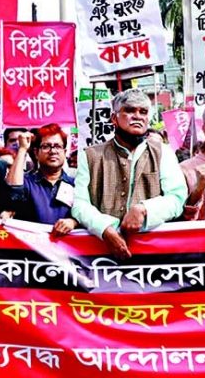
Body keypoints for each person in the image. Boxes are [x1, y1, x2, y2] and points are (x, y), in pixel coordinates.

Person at [72, 89, 187, 259]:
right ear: (114, 118)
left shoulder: (163, 153)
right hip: (100, 254)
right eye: (129, 110)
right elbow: (80, 204)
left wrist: (145, 209)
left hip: (152, 254)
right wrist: (104, 229)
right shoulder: (90, 155)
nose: (137, 116)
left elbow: (177, 198)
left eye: (143, 112)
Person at [6, 123, 79, 235]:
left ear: (64, 152)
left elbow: (88, 215)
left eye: (58, 146)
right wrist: (22, 149)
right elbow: (12, 192)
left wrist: (74, 222)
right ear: (36, 153)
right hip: (32, 250)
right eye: (46, 146)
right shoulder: (27, 182)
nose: (53, 151)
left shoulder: (76, 185)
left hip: (68, 251)